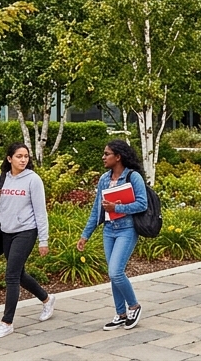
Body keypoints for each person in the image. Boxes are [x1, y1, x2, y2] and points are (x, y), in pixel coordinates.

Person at [0, 143, 54, 339]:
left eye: (26, 156)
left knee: (11, 276)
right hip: (6, 231)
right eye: (19, 156)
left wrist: (44, 240)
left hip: (26, 231)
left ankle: (7, 322)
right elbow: (0, 205)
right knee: (19, 273)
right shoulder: (2, 178)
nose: (23, 160)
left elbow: (41, 212)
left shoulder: (33, 180)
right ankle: (47, 299)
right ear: (9, 159)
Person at [79, 140, 149, 331]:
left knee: (115, 271)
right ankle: (120, 314)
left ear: (118, 157)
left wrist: (116, 207)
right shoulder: (104, 179)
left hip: (127, 229)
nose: (103, 157)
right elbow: (96, 210)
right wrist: (85, 235)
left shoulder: (133, 177)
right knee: (113, 275)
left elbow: (142, 204)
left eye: (107, 154)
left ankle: (134, 306)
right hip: (109, 230)